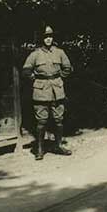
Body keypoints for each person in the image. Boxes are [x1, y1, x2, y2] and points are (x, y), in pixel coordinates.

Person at [22, 25, 73, 160]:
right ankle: (40, 149)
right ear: (42, 39)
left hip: (57, 89)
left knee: (59, 120)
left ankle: (58, 146)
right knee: (41, 121)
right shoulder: (35, 54)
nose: (48, 39)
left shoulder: (60, 52)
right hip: (41, 91)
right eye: (45, 37)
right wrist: (35, 78)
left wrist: (59, 77)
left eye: (50, 36)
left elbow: (68, 68)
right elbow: (26, 70)